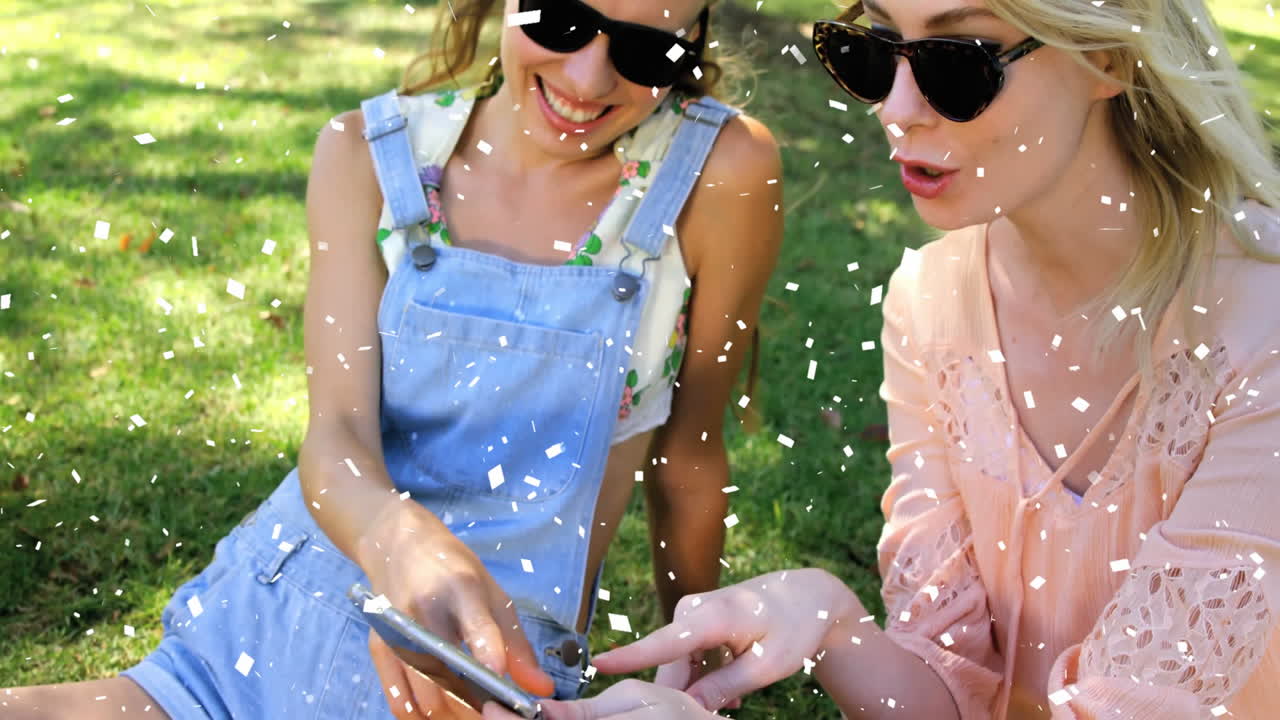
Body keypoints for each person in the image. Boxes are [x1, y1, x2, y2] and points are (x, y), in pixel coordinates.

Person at [480, 0, 1280, 717]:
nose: (895, 110)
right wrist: (830, 619)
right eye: (874, 52)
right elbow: (952, 690)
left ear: (1108, 56)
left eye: (956, 63)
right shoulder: (930, 302)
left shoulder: (1262, 329)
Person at [4, 0, 783, 718]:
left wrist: (700, 654)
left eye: (648, 52)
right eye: (561, 20)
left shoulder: (718, 173)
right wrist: (396, 535)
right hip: (270, 623)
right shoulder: (366, 152)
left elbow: (689, 454)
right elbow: (335, 434)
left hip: (482, 680)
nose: (588, 80)